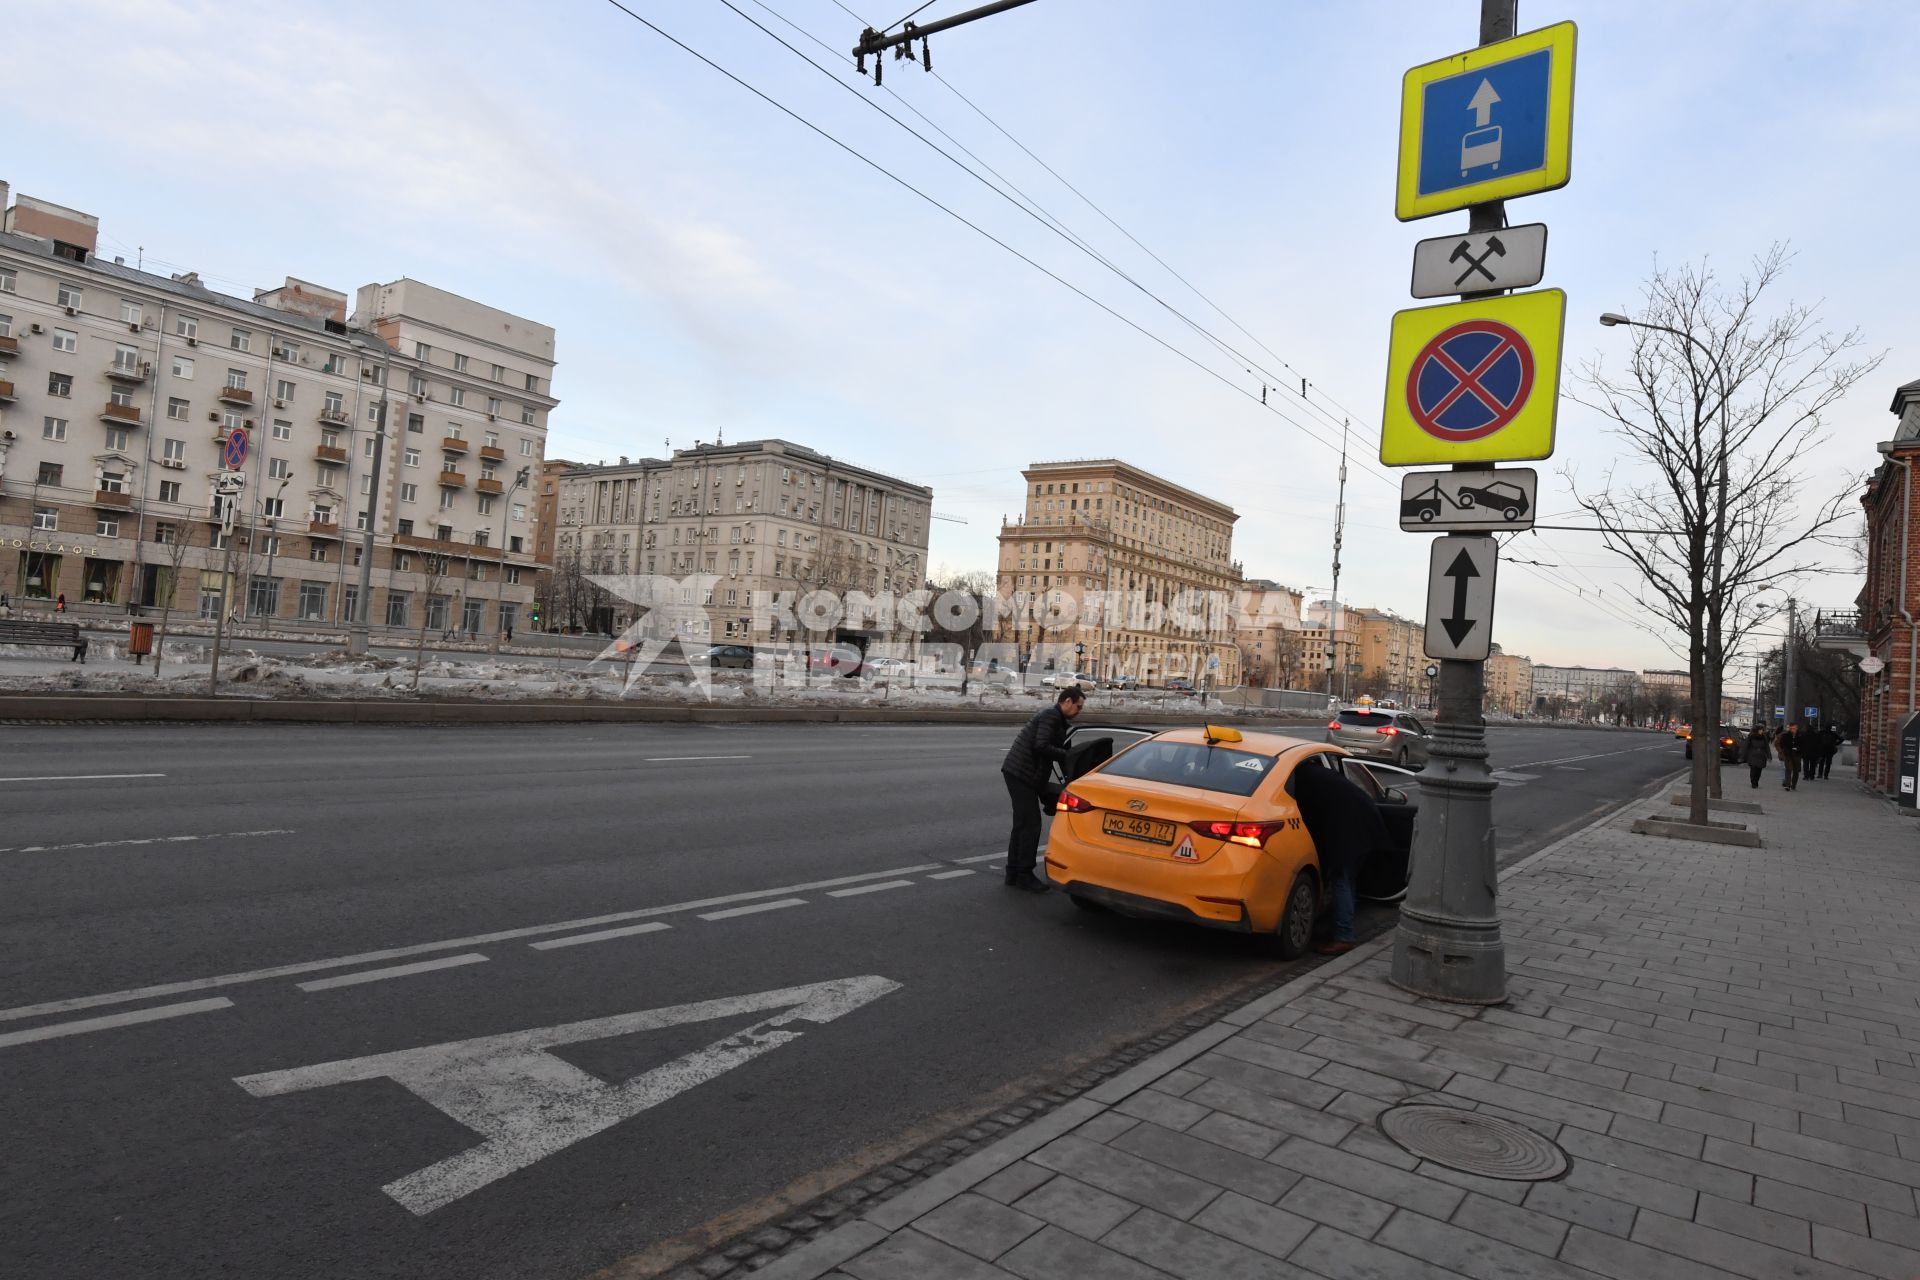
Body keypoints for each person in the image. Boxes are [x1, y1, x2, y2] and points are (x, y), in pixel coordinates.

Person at [1293, 759, 1389, 955]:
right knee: (1347, 880)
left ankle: (1343, 936)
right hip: (1364, 823)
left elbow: (1310, 820)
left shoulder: (1304, 782)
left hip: (1351, 832)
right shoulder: (1321, 776)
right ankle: (1339, 926)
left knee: (1341, 879)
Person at [999, 686, 1085, 891]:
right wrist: (1067, 756)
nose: (1079, 711)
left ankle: (1013, 872)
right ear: (1067, 702)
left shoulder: (1060, 722)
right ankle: (1024, 875)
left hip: (1022, 774)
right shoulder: (1051, 717)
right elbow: (1042, 746)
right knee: (1031, 824)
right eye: (1078, 707)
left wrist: (1071, 776)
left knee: (1021, 825)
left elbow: (1063, 753)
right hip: (1021, 774)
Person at [1742, 725, 1771, 790]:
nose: (1762, 731)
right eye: (1760, 730)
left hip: (1761, 756)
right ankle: (1753, 783)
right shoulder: (1751, 736)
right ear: (1756, 730)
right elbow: (1746, 746)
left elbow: (1767, 747)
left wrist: (1769, 756)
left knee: (1759, 771)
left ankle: (1756, 781)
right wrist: (1742, 756)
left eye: (1762, 730)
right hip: (1753, 755)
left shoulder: (1764, 737)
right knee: (1753, 770)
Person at [1775, 723, 1800, 791]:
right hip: (1788, 755)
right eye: (1791, 728)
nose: (1792, 729)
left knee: (1796, 771)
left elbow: (1803, 745)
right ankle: (1787, 785)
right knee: (1788, 769)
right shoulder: (1785, 736)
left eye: (1794, 728)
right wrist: (1783, 751)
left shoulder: (1800, 735)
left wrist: (1798, 749)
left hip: (1797, 755)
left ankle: (1793, 785)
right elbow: (1780, 744)